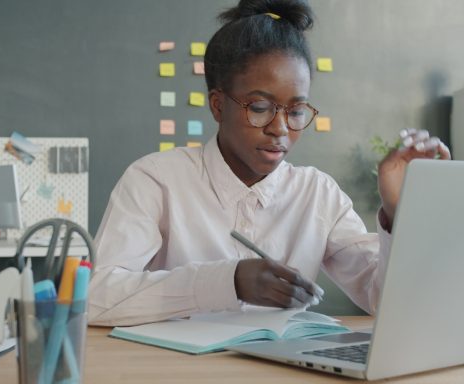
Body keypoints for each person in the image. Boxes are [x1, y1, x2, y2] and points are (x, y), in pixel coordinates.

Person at [88, 0, 451, 326]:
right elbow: (96, 297)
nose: (280, 128)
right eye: (259, 107)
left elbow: (385, 302)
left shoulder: (317, 193)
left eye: (296, 111)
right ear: (218, 105)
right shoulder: (156, 179)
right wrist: (227, 281)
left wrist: (400, 212)